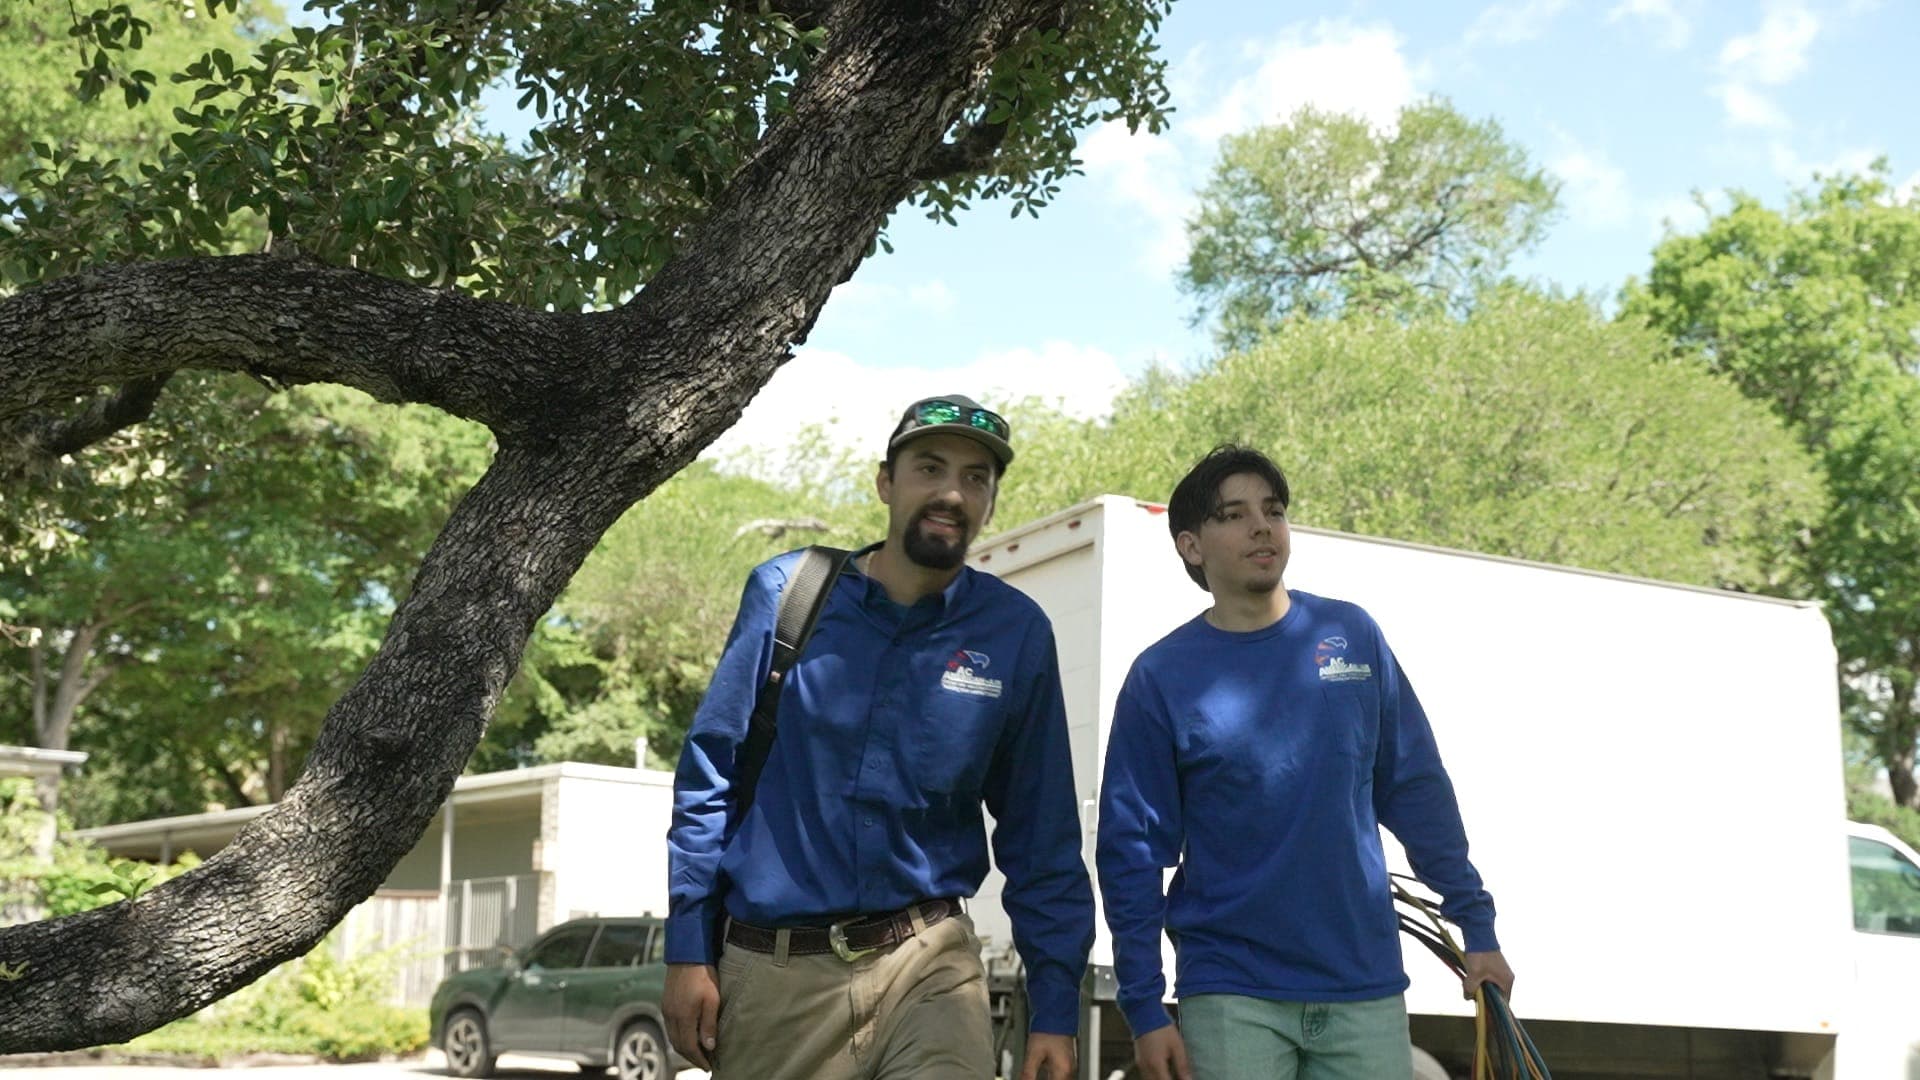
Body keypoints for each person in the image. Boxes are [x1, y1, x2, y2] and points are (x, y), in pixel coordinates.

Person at [663, 395, 1094, 1080]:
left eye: (976, 478)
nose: (952, 492)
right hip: (776, 979)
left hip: (929, 966)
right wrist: (687, 947)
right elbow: (708, 776)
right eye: (929, 468)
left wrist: (1054, 1008)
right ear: (886, 483)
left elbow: (1042, 835)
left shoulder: (1015, 634)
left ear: (989, 502)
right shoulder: (787, 595)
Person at [1095, 445, 1514, 1080]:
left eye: (1274, 509)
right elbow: (1130, 851)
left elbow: (1416, 788)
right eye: (1234, 514)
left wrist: (1476, 927)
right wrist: (1145, 1007)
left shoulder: (1351, 635)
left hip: (1363, 985)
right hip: (1231, 991)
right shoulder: (1162, 676)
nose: (1262, 525)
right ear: (1191, 546)